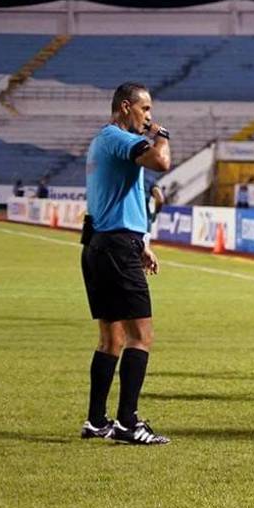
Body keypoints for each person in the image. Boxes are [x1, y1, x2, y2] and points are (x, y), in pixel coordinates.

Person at [79, 82, 171, 444]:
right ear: (125, 107)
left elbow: (121, 199)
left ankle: (96, 421)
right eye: (145, 109)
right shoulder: (117, 138)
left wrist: (141, 244)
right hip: (115, 247)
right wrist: (161, 134)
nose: (149, 116)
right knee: (141, 336)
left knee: (111, 339)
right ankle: (128, 423)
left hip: (103, 244)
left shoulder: (104, 142)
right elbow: (162, 161)